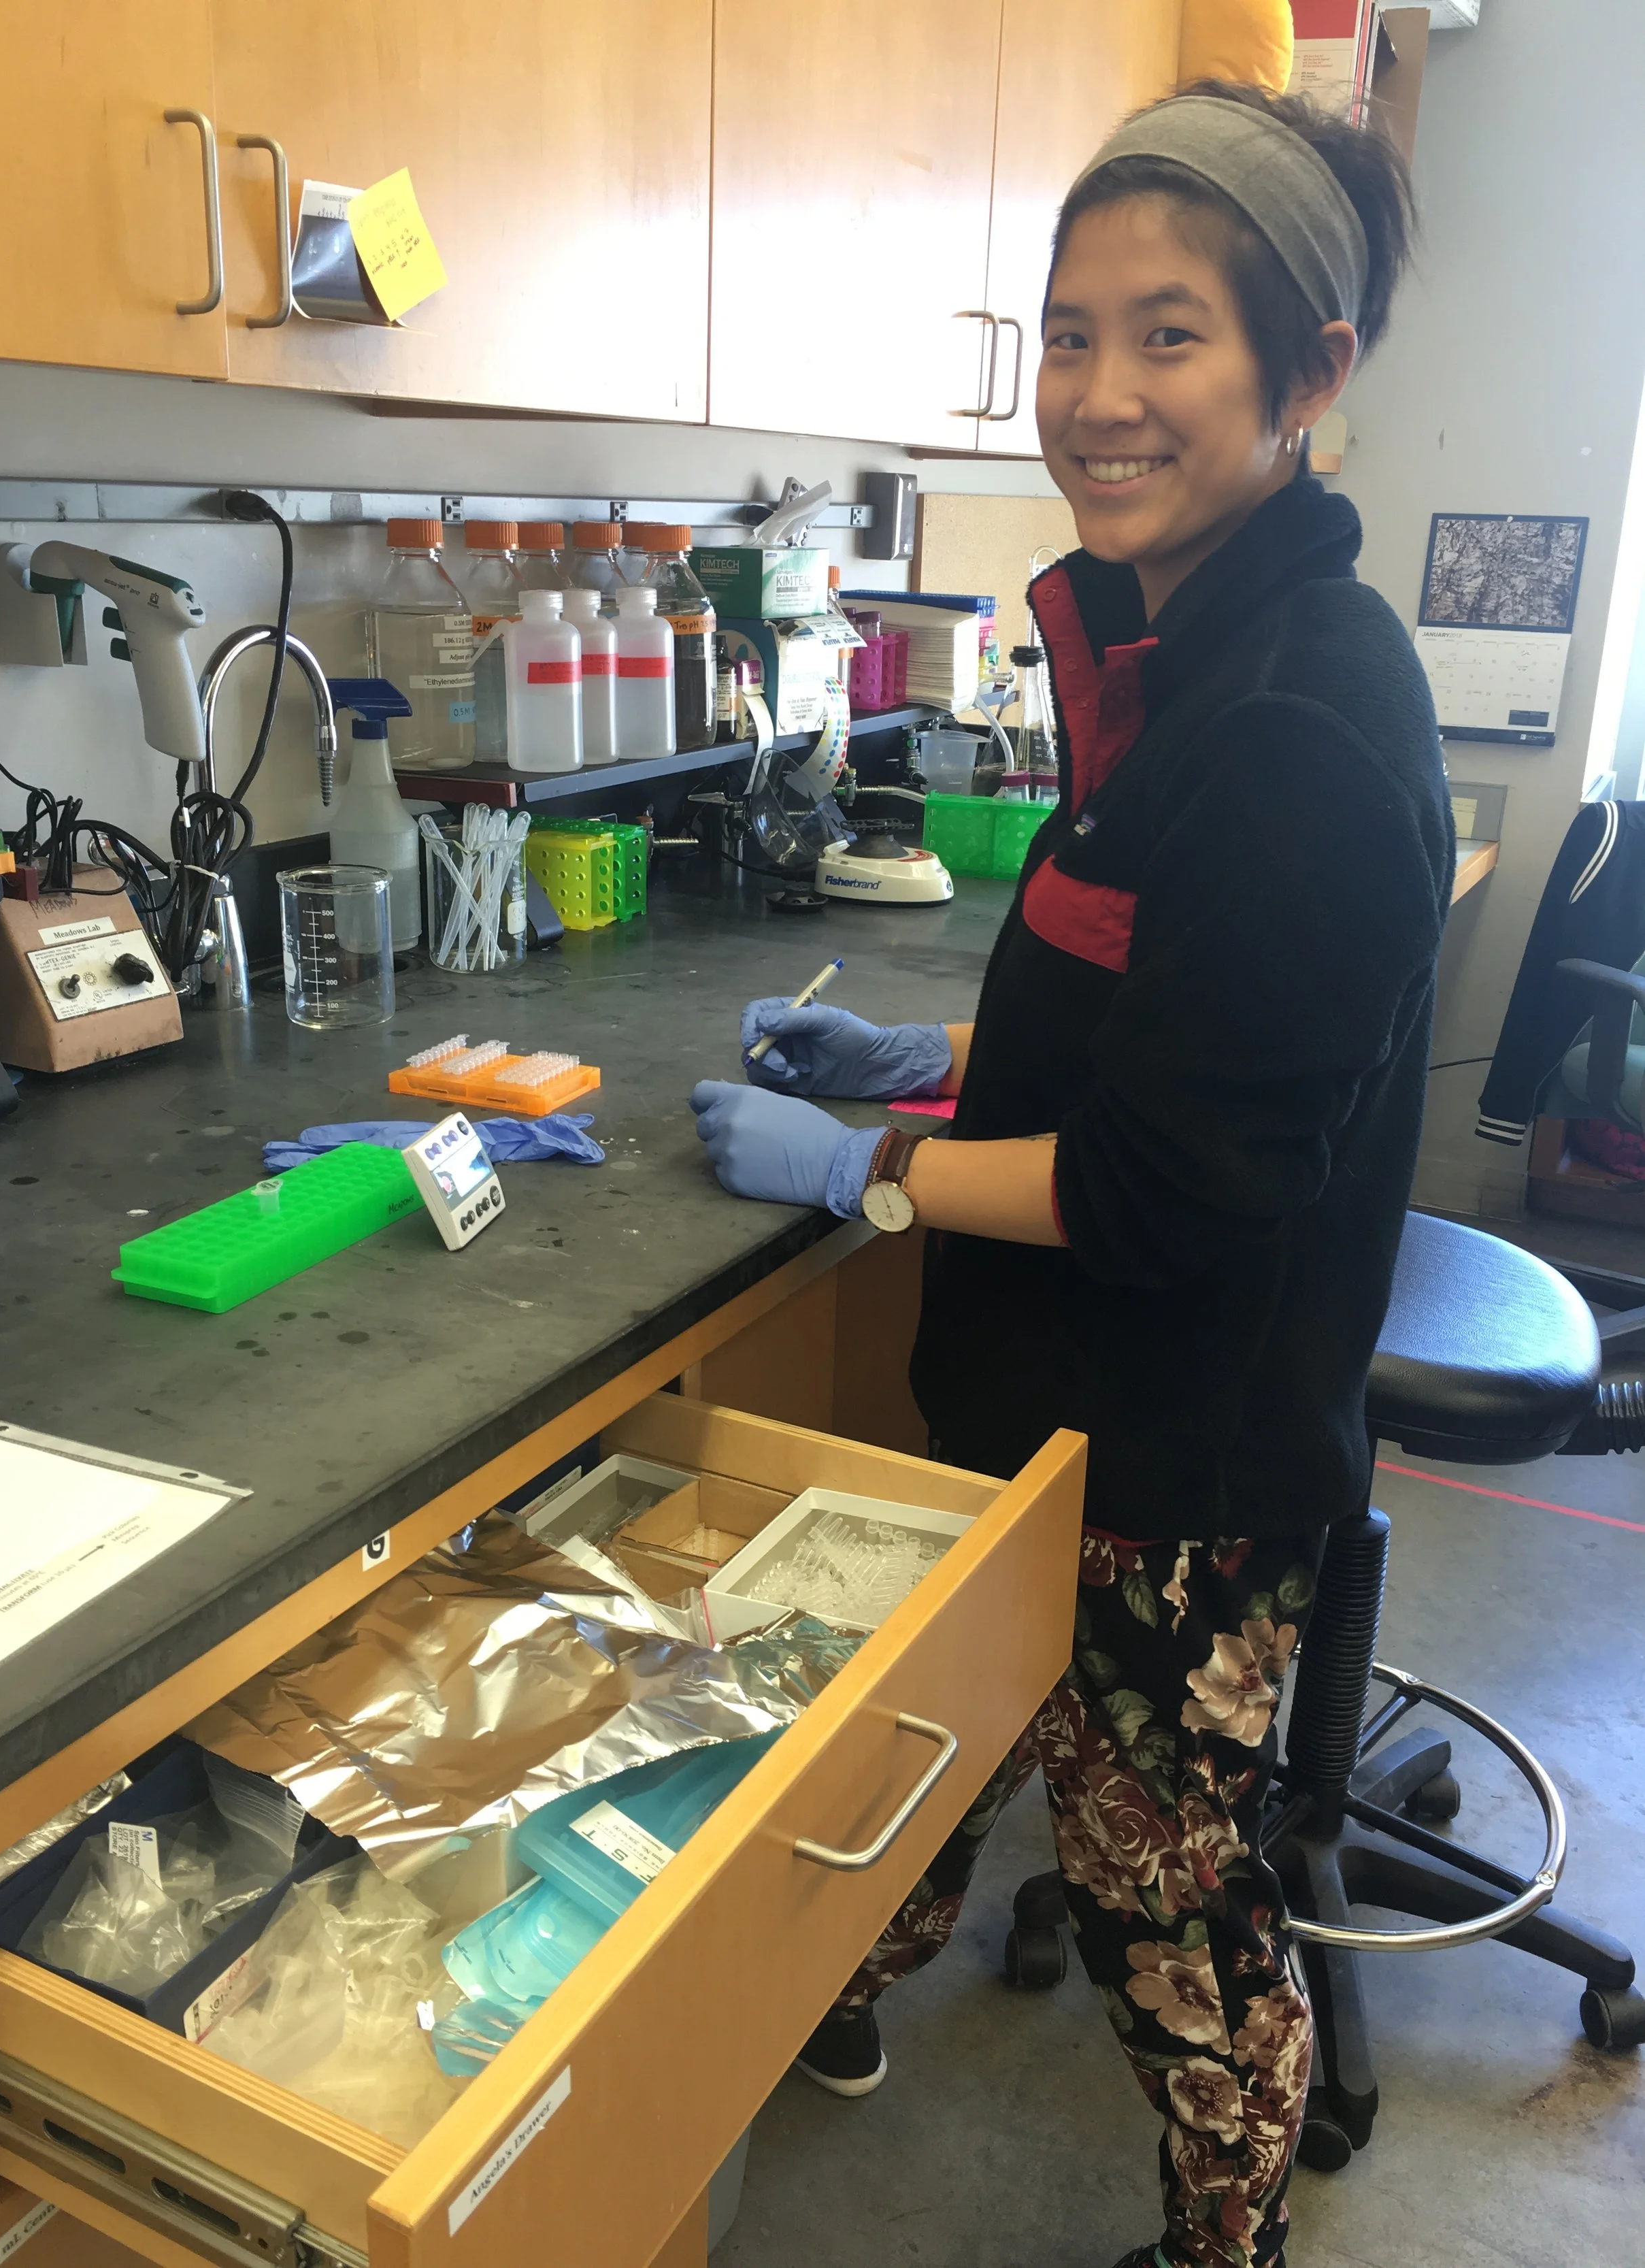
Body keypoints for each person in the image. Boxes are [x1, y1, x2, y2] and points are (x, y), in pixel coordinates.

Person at [691, 82, 1452, 2268]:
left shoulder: (1303, 718)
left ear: (1303, 375)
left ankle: (1224, 2244)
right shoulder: (1165, 646)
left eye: (1170, 337)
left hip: (1179, 1461)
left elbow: (1171, 1183)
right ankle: (815, 2003)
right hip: (1050, 1428)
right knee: (925, 1743)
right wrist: (920, 1060)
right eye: (1065, 333)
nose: (1098, 397)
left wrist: (874, 1176)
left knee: (1167, 1909)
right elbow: (1139, 1017)